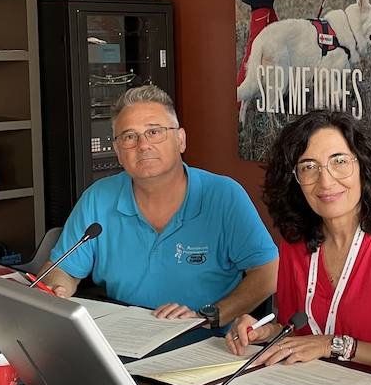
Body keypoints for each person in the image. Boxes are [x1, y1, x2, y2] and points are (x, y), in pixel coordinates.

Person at [225, 110, 371, 377]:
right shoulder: (295, 241)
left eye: (339, 161)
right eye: (309, 166)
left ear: (364, 167)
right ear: (294, 180)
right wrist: (267, 332)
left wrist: (331, 346)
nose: (326, 180)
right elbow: (299, 330)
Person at [38, 84, 277, 331]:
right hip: (123, 340)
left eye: (154, 132)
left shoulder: (224, 195)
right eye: (129, 137)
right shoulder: (98, 198)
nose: (143, 145)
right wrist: (58, 291)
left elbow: (268, 273)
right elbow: (62, 270)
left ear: (180, 140)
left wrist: (209, 317)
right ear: (119, 152)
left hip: (206, 344)